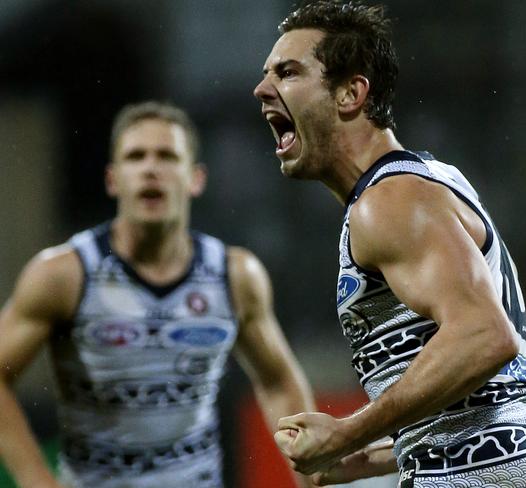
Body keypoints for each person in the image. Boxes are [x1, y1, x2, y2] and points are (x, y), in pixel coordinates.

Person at [253, 2, 526, 486]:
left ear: (350, 93)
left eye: (288, 72)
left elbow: (484, 336)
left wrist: (346, 433)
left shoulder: (389, 201)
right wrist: (372, 458)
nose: (262, 89)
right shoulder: (435, 182)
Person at [0, 101, 316, 488]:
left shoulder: (234, 275)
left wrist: (312, 478)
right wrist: (36, 481)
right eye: (136, 157)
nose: (151, 168)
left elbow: (277, 382)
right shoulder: (64, 275)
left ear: (195, 178)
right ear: (113, 179)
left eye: (167, 156)